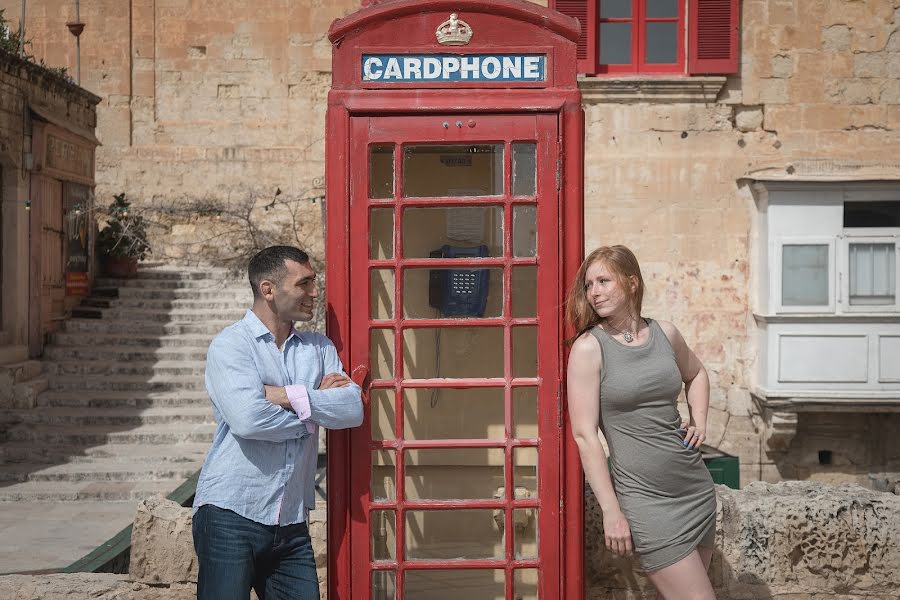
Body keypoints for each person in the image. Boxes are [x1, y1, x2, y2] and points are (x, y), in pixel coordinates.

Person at [192, 245, 363, 600]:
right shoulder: (231, 346)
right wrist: (313, 414)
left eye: (314, 282)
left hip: (290, 522)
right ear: (268, 289)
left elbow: (351, 409)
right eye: (304, 284)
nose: (315, 293)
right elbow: (249, 419)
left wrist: (284, 395)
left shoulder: (319, 347)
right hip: (230, 513)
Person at [566, 245, 717, 600]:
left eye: (604, 281)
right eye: (589, 285)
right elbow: (585, 436)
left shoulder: (667, 333)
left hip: (695, 491)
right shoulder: (589, 349)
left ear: (631, 283)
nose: (594, 292)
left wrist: (700, 420)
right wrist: (611, 510)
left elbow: (696, 375)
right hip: (647, 502)